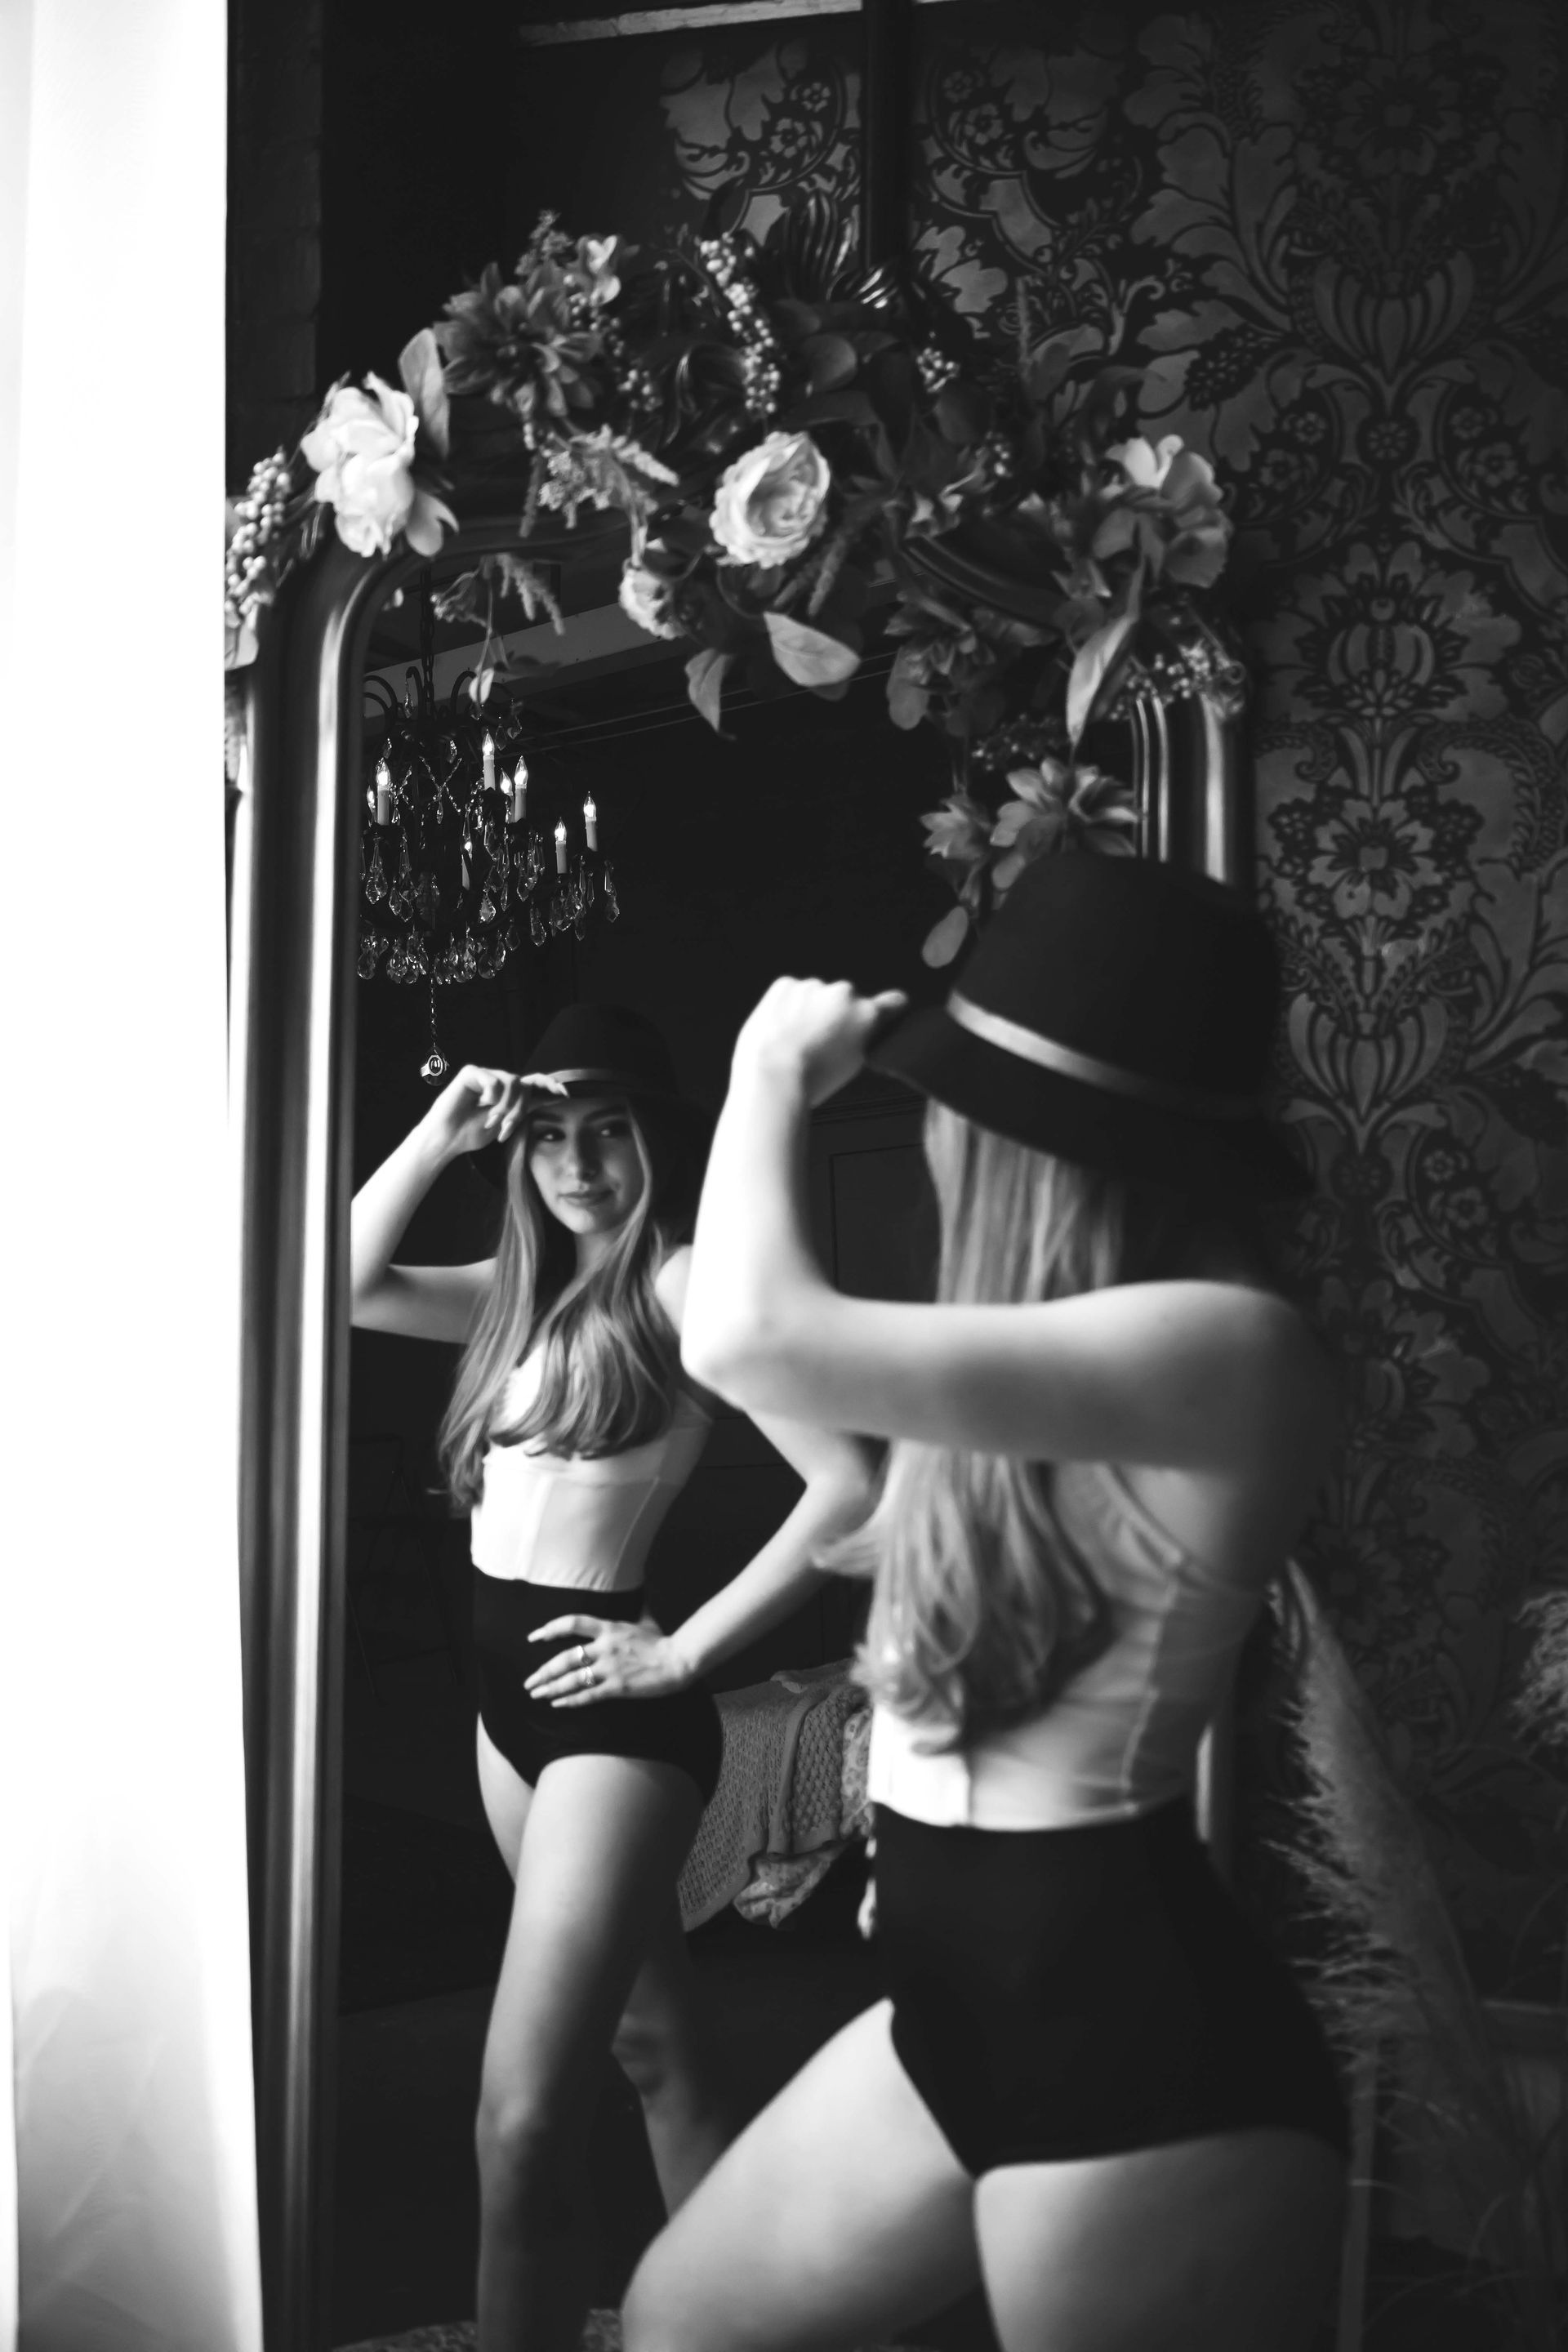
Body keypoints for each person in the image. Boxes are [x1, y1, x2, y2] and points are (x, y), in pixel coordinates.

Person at [623, 854, 1352, 2352]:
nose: (937, 1128)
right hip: (952, 2002)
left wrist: (767, 1070)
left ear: (1016, 1137)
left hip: (1137, 2056)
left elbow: (748, 1336)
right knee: (676, 2324)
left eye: (954, 1098)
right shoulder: (1031, 1354)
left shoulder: (1231, 1346)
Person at [349, 1001, 874, 2352]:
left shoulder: (685, 1285)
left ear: (659, 1140)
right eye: (553, 1142)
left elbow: (849, 1486)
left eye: (612, 1133)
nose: (581, 1167)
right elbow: (332, 1282)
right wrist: (441, 1131)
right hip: (507, 1717)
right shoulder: (514, 1297)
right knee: (662, 2055)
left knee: (519, 2117)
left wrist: (687, 1651)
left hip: (610, 1730)